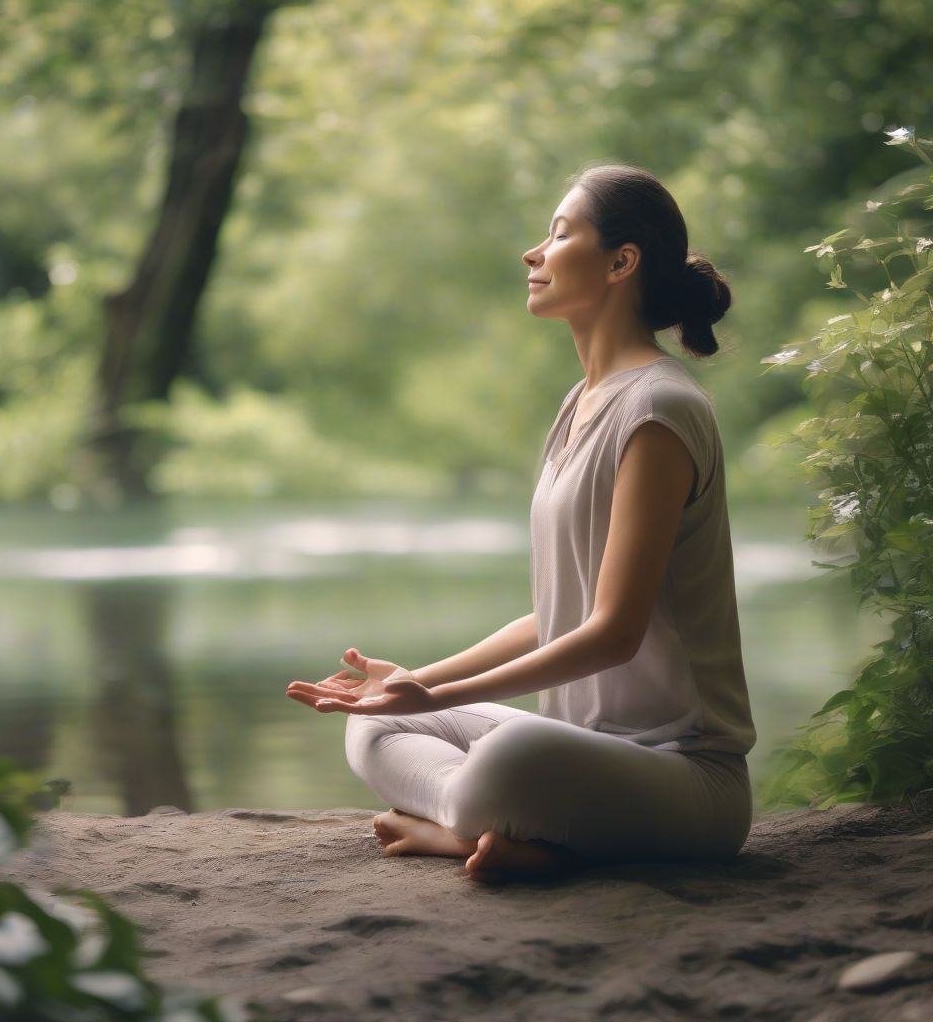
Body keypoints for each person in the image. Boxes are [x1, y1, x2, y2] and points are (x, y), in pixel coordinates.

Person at [287, 162, 757, 885]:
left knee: (511, 761)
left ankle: (460, 825)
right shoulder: (581, 403)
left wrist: (439, 696)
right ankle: (498, 827)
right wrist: (413, 684)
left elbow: (613, 631)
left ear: (620, 263)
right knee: (376, 724)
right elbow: (560, 616)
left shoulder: (661, 410)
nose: (533, 253)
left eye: (560, 233)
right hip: (580, 752)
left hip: (685, 777)